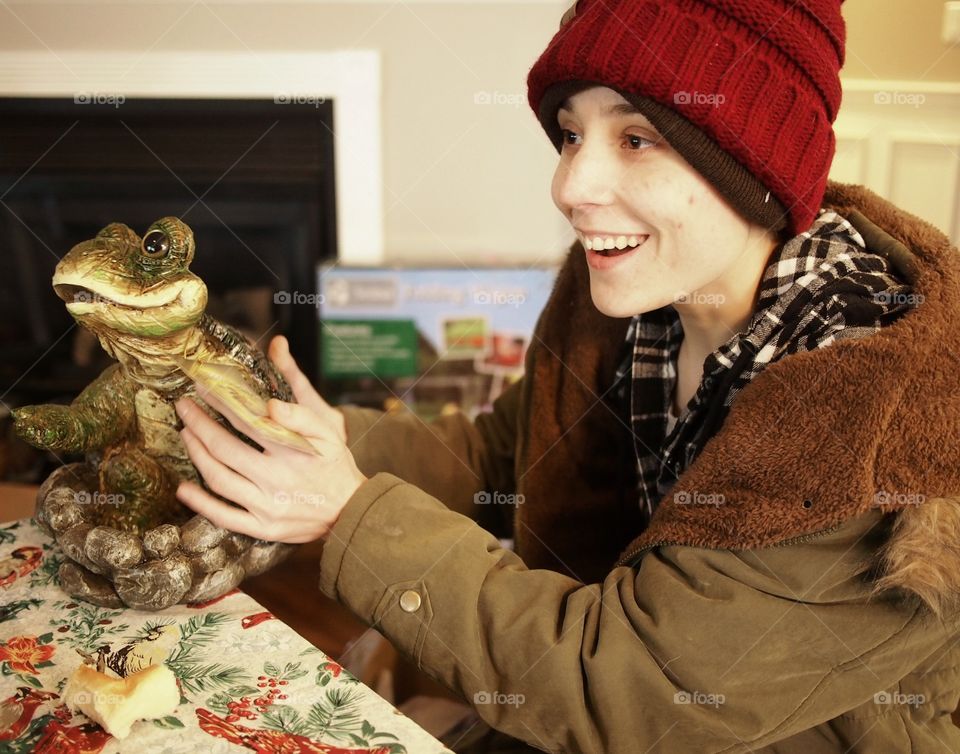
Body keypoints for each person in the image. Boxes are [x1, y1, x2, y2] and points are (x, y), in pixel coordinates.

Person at [174, 0, 960, 751]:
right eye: (571, 134)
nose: (569, 187)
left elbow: (633, 686)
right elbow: (498, 461)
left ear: (755, 166)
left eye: (638, 138)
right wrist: (313, 435)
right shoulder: (632, 305)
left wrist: (350, 515)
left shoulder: (875, 413)